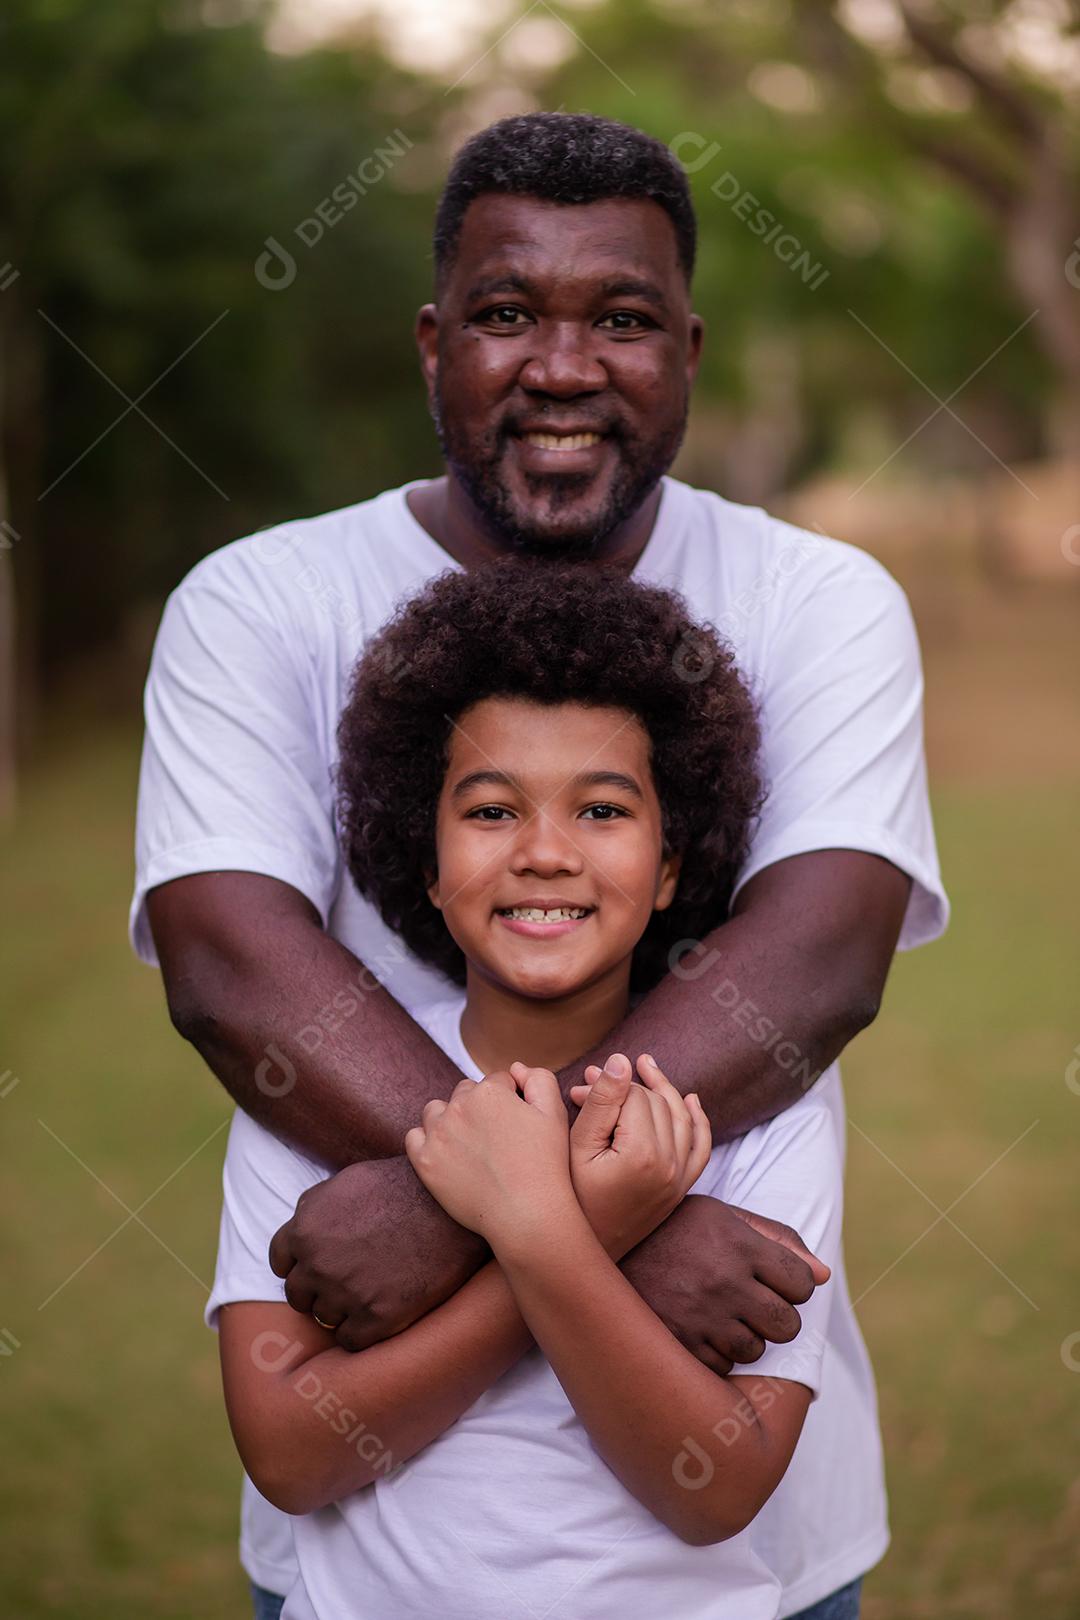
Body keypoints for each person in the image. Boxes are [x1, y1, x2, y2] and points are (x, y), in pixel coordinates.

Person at [132, 112, 948, 1618]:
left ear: (690, 351)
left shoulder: (822, 601)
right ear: (435, 344)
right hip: (374, 1559)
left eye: (623, 321)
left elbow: (821, 963)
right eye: (508, 314)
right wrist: (608, 1208)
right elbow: (233, 970)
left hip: (738, 1566)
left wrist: (476, 1201)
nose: (563, 369)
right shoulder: (258, 603)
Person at [209, 561, 843, 1620]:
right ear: (425, 855)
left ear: (673, 862)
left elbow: (719, 1487)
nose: (546, 854)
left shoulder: (768, 1114)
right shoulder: (307, 1094)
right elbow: (289, 1456)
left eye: (601, 809)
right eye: (493, 810)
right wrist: (584, 1221)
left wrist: (534, 1225)